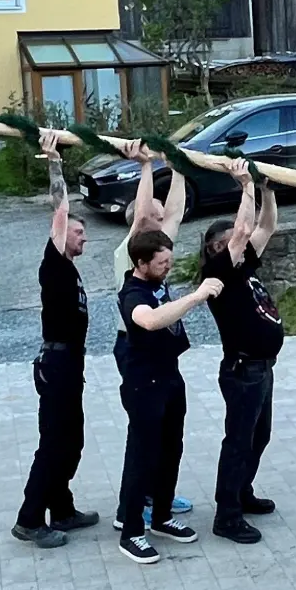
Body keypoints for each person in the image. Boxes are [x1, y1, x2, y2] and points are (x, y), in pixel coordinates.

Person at [11, 133, 100, 549]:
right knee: (53, 444)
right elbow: (60, 207)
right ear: (61, 235)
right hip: (57, 365)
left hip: (71, 366)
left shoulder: (71, 270)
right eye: (79, 232)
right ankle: (30, 519)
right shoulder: (54, 262)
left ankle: (61, 508)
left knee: (73, 440)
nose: (84, 238)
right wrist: (54, 160)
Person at [114, 230, 222, 564]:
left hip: (170, 377)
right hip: (143, 383)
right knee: (142, 456)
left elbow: (172, 214)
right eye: (161, 264)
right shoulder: (133, 292)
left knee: (171, 449)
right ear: (141, 263)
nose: (167, 268)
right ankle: (132, 531)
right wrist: (196, 297)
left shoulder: (155, 277)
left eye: (169, 261)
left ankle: (161, 516)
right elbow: (148, 320)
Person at [109, 140, 194, 524]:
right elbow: (145, 211)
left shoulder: (158, 250)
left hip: (162, 351)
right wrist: (145, 166)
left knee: (168, 432)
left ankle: (159, 496)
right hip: (135, 347)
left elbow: (174, 210)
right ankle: (134, 507)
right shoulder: (131, 252)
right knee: (146, 431)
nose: (162, 223)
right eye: (155, 220)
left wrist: (176, 167)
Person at [199, 161, 283, 545]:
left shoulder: (242, 264)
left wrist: (266, 189)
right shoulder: (218, 271)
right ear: (219, 247)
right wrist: (245, 184)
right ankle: (226, 515)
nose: (243, 241)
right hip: (242, 370)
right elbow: (246, 228)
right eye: (233, 239)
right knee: (238, 441)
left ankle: (242, 492)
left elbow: (266, 228)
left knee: (258, 437)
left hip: (262, 368)